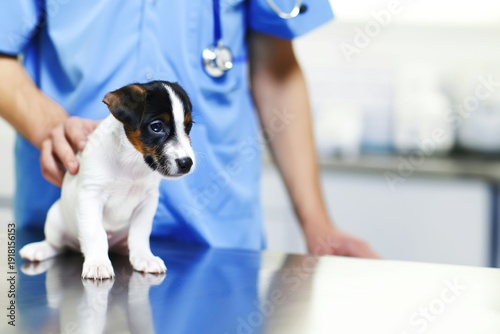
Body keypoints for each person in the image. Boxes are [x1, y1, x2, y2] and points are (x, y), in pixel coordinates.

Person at [0, 0, 377, 258]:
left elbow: (276, 69)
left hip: (216, 238)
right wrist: (46, 123)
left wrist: (317, 223)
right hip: (72, 231)